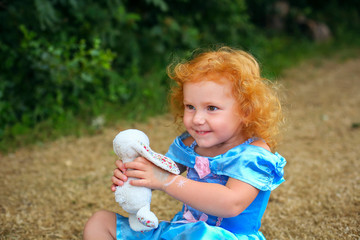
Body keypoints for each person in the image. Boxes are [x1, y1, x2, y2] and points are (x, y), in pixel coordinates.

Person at [83, 46, 286, 240]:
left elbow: (230, 203)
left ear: (246, 111)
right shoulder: (190, 142)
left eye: (212, 108)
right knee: (100, 222)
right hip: (182, 232)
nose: (197, 119)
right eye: (190, 106)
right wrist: (137, 173)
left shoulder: (254, 153)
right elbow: (161, 169)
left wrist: (166, 181)